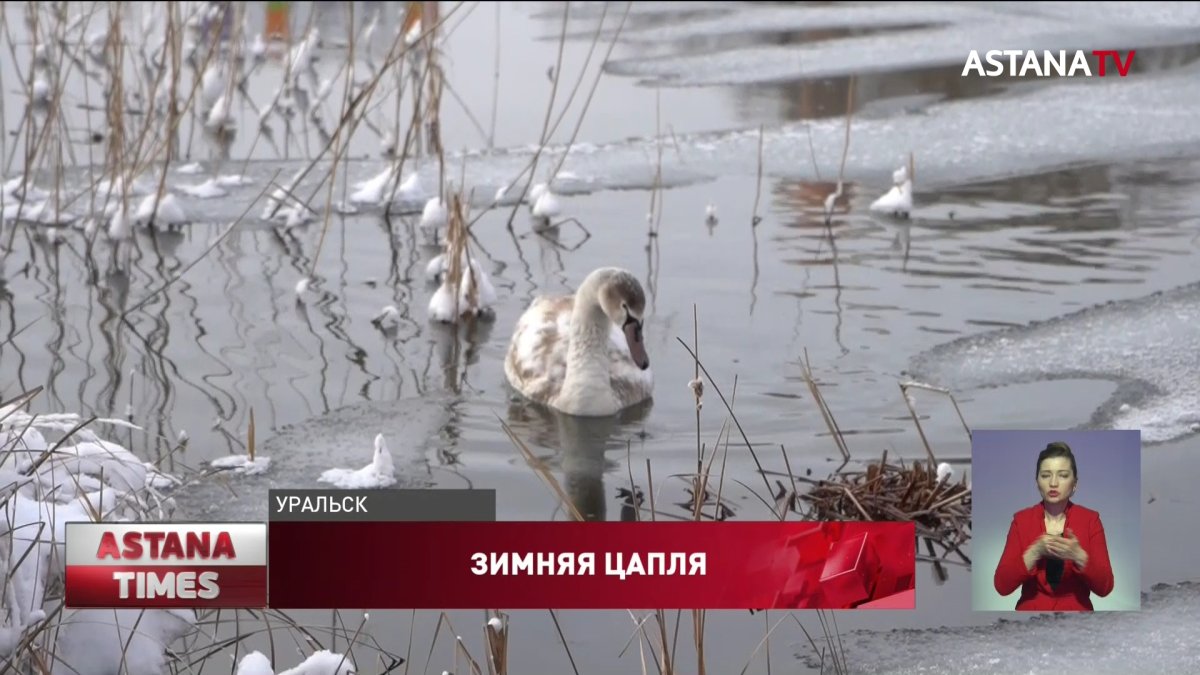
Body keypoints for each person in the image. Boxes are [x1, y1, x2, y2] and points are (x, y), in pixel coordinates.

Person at [993, 441, 1115, 611]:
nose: (1053, 483)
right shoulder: (1021, 520)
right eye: (1045, 475)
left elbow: (1105, 587)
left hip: (1078, 620)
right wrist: (1035, 551)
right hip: (1030, 618)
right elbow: (1002, 586)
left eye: (1063, 475)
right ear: (1037, 482)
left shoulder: (1090, 520)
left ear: (1075, 484)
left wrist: (1078, 555)